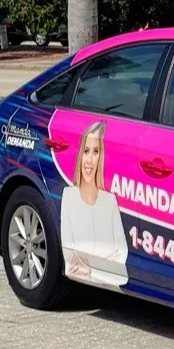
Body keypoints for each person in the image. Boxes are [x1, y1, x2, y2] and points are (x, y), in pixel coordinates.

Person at [59, 119, 128, 287]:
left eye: (96, 152)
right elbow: (71, 263)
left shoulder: (110, 201)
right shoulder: (68, 196)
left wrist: (90, 269)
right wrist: (106, 264)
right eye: (86, 151)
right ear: (80, 153)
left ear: (101, 156)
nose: (89, 160)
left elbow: (121, 268)